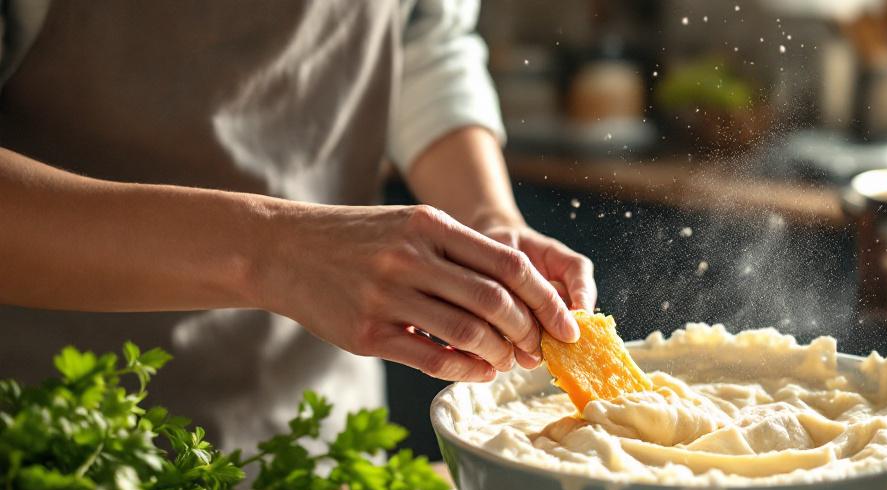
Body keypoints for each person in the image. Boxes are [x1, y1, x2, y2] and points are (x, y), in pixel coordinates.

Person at [0, 0, 594, 451]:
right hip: (54, 430)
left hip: (316, 437)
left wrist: (487, 219)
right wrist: (273, 253)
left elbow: (423, 42)